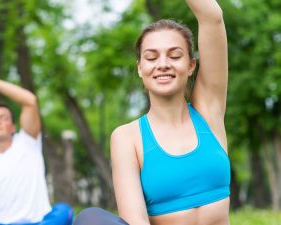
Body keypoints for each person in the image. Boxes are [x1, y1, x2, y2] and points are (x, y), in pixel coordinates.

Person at [74, 0, 230, 225]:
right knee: (90, 219)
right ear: (140, 68)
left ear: (191, 65)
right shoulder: (127, 138)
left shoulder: (208, 111)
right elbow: (136, 221)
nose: (163, 64)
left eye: (175, 56)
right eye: (151, 57)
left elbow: (212, 17)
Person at [0, 76, 73, 225]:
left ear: (12, 127)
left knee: (64, 211)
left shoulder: (28, 142)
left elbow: (29, 101)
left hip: (38, 223)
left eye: (3, 118)